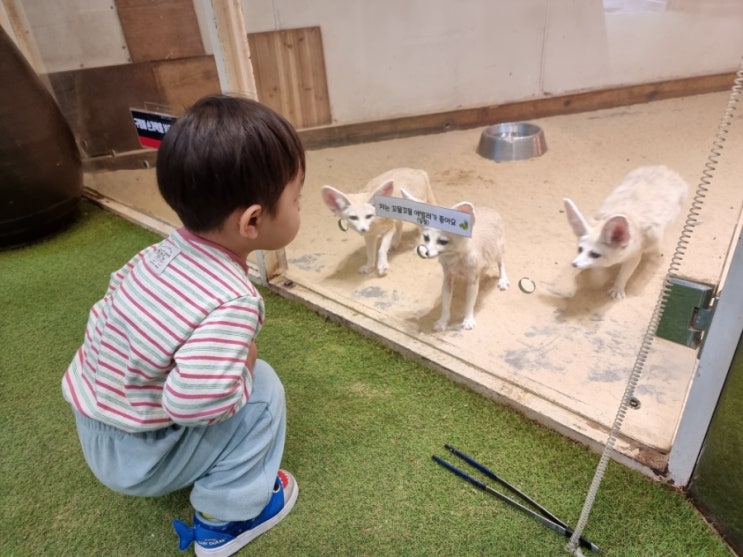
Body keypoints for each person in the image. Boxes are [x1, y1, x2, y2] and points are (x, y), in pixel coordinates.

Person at [62, 94, 305, 556]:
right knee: (263, 390)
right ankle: (223, 523)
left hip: (96, 424)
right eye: (296, 198)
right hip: (137, 457)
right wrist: (243, 369)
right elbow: (194, 404)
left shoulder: (156, 255)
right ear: (253, 220)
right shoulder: (231, 299)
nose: (299, 207)